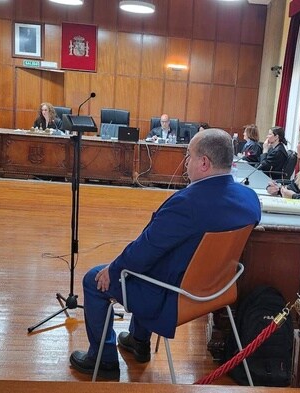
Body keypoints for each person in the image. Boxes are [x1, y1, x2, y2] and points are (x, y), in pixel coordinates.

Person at [69, 128, 262, 379]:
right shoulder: (250, 199)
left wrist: (113, 269)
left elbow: (143, 251)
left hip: (176, 297)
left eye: (189, 156)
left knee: (96, 279)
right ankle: (138, 340)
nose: (186, 162)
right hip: (219, 289)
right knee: (157, 263)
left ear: (204, 163)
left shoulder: (186, 203)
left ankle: (103, 360)